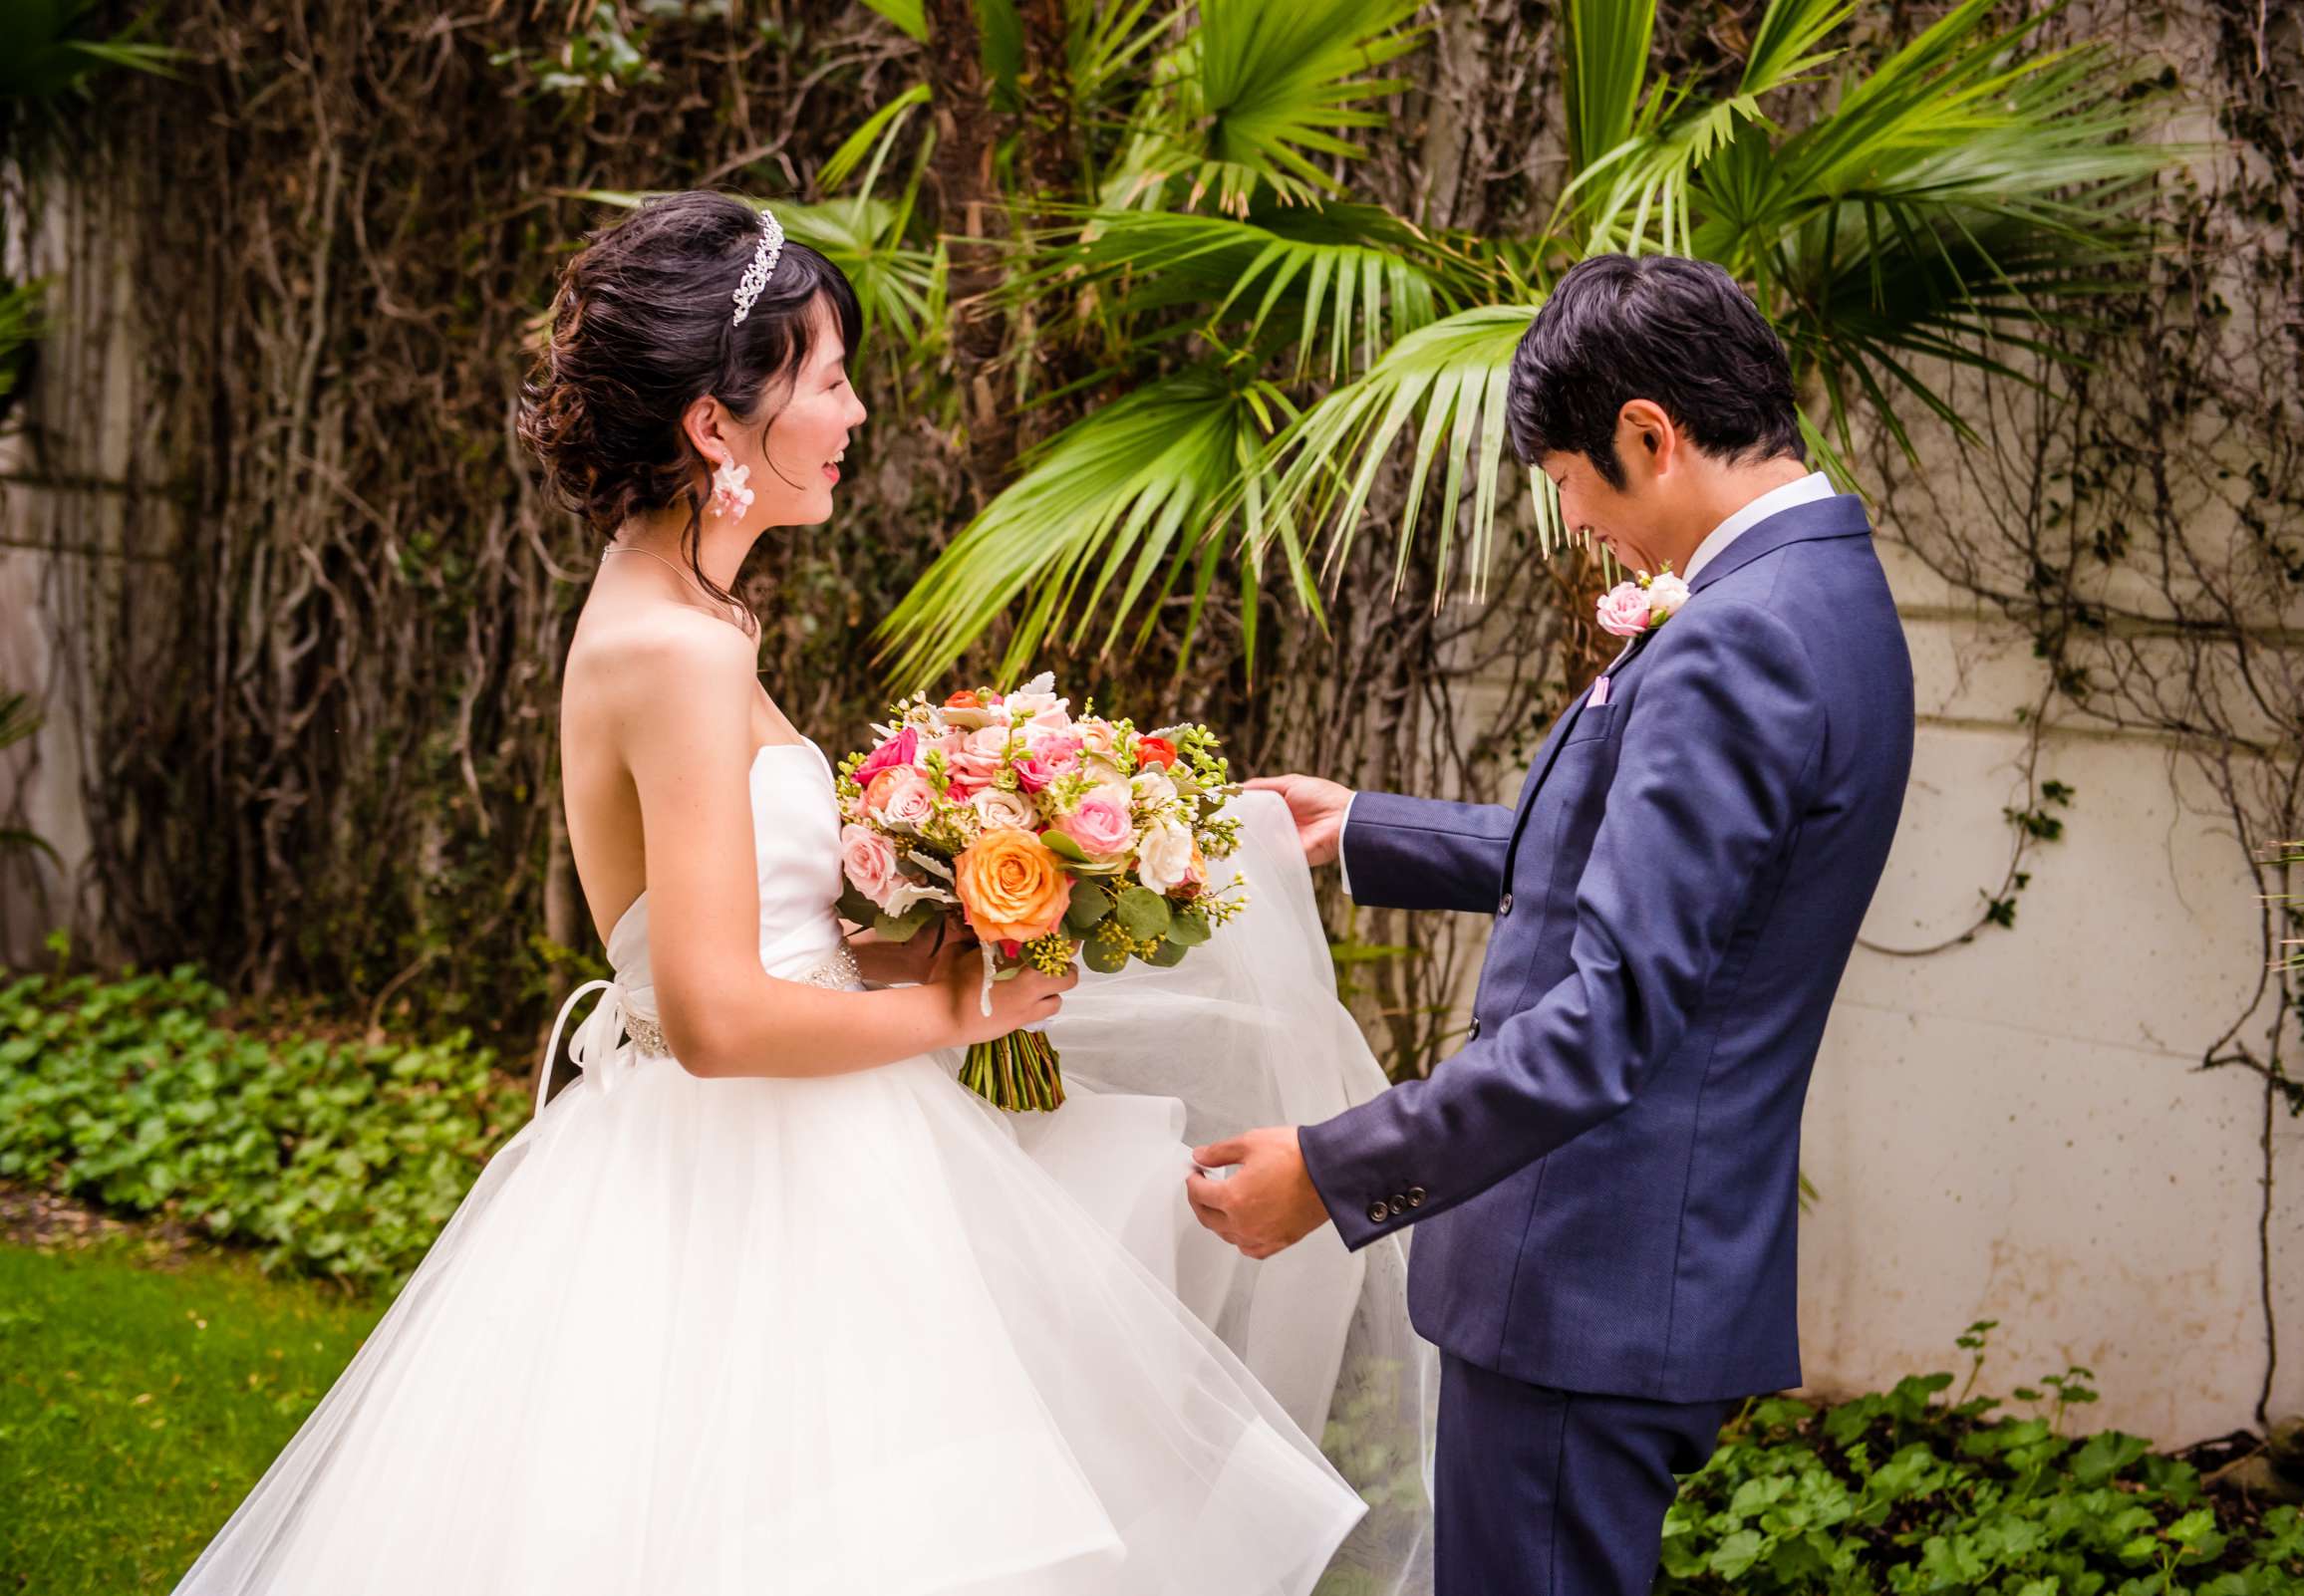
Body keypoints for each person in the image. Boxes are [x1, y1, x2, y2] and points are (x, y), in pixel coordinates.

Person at [172, 190, 1428, 1596]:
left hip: (809, 1143)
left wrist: (985, 899)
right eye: (828, 379)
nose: (856, 414)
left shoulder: (702, 616)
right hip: (742, 1180)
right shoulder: (678, 650)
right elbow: (711, 1012)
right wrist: (962, 1003)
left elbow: (757, 940)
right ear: (720, 423)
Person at [1188, 253, 1916, 1596]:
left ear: (1649, 432)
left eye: (1570, 480)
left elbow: (1604, 1017)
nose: (1575, 520)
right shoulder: (1824, 593)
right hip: (1637, 1270)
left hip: (1582, 1277)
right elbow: (1662, 881)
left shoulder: (1735, 637)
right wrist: (1361, 829)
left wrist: (1335, 1171)